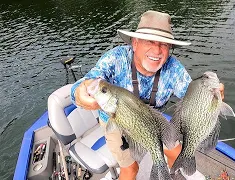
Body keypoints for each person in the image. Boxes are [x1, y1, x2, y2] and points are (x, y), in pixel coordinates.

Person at [71, 10, 224, 180]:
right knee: (130, 170)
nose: (157, 50)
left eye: (164, 44)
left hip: (153, 122)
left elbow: (191, 96)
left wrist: (209, 96)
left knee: (177, 153)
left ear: (169, 48)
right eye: (150, 41)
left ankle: (173, 174)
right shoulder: (116, 58)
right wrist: (80, 91)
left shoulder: (173, 69)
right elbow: (88, 82)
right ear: (135, 43)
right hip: (115, 123)